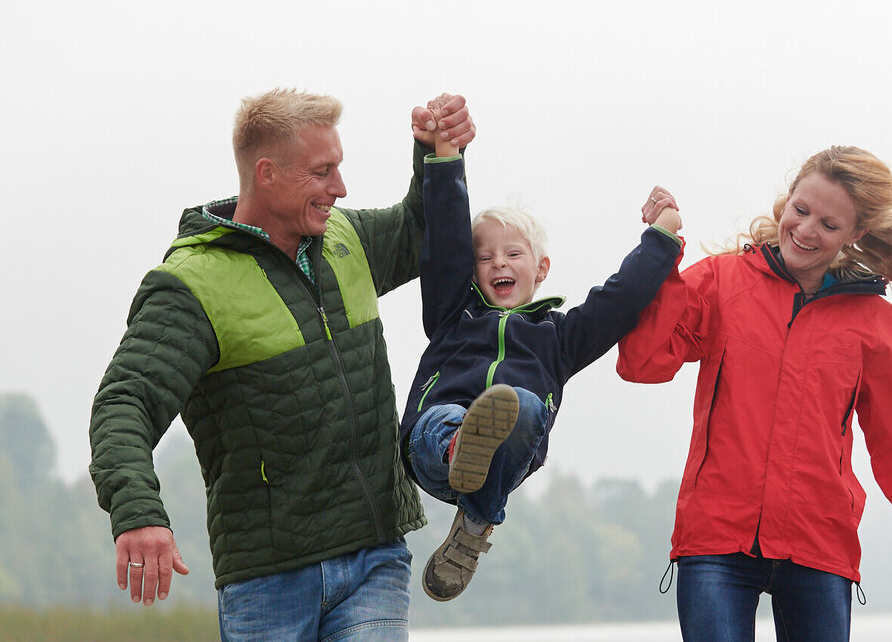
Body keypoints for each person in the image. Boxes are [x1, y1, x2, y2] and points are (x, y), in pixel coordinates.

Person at [88, 88, 473, 641]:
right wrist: (138, 512)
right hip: (266, 580)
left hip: (376, 556)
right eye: (322, 172)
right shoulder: (191, 285)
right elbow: (123, 402)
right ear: (266, 173)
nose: (339, 188)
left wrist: (439, 154)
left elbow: (426, 231)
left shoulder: (349, 238)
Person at [616, 146, 892, 641]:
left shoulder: (873, 323)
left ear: (855, 234)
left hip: (818, 546)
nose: (805, 230)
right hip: (716, 542)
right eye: (800, 211)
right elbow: (642, 362)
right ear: (786, 202)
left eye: (829, 224)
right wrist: (661, 249)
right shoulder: (722, 282)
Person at [399, 118, 685, 601]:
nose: (499, 264)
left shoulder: (560, 338)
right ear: (472, 273)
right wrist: (446, 158)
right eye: (485, 258)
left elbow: (618, 300)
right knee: (446, 418)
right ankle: (461, 457)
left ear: (541, 269)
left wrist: (662, 237)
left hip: (505, 457)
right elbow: (446, 245)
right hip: (433, 448)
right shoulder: (453, 313)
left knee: (522, 405)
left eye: (513, 254)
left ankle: (473, 521)